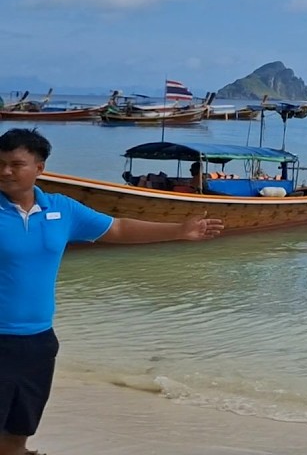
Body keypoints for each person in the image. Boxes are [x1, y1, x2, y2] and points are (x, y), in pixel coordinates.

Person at [0, 127, 223, 455]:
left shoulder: (61, 209)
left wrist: (178, 230)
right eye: (0, 163)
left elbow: (116, 228)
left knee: (19, 432)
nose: (5, 171)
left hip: (38, 341)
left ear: (39, 169)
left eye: (15, 164)